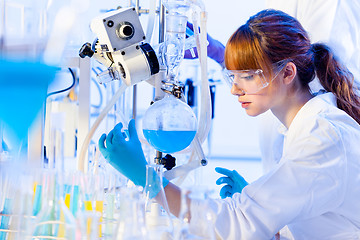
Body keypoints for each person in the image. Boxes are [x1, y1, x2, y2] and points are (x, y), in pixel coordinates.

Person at [99, 9, 360, 239]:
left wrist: (147, 180)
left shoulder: (322, 138)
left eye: (246, 76)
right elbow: (320, 224)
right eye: (231, 76)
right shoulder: (310, 125)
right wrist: (267, 208)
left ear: (288, 73)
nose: (235, 89)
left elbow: (236, 226)